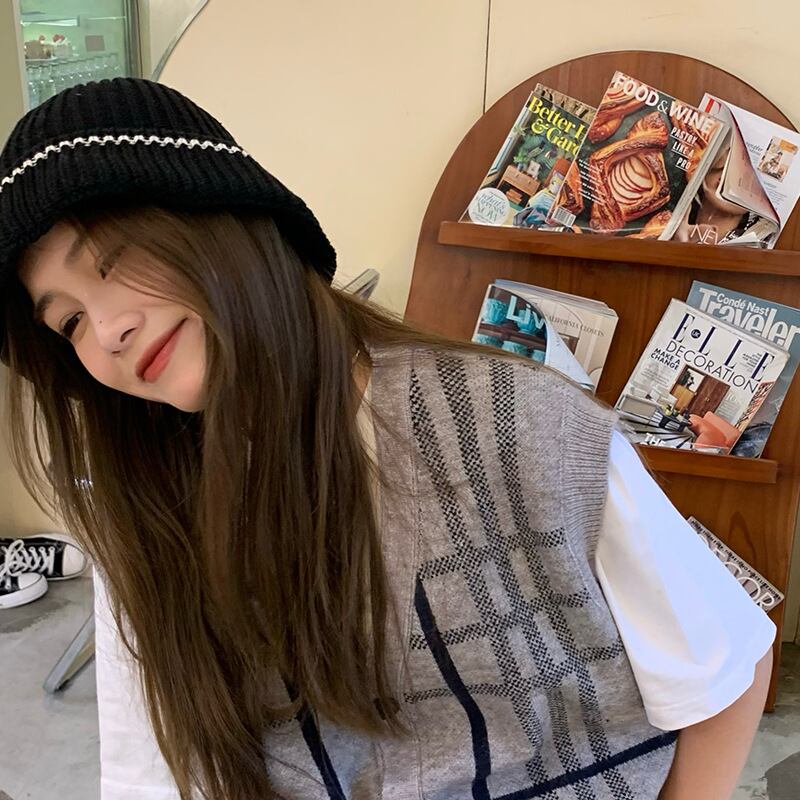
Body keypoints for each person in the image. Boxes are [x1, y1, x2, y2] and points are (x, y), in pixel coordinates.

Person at [0, 79, 775, 800]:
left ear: (224, 219)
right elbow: (152, 776)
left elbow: (728, 667)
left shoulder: (519, 422)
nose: (107, 330)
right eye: (68, 321)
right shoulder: (148, 513)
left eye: (115, 263)